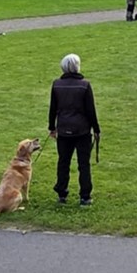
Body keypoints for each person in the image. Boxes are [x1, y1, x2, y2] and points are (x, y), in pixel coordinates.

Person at [48, 53, 100, 206]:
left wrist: (52, 127)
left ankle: (62, 193)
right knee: (83, 164)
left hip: (64, 128)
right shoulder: (84, 85)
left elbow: (53, 109)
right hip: (82, 130)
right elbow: (91, 110)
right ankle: (85, 196)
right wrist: (96, 129)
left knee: (63, 162)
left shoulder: (57, 84)